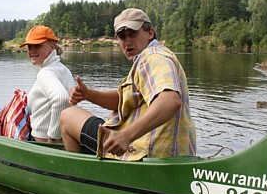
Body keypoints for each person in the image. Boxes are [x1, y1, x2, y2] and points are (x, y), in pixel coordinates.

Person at [59, 8, 196, 160]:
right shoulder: (159, 55)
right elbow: (123, 100)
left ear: (150, 33)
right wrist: (88, 94)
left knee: (68, 116)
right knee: (115, 115)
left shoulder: (152, 58)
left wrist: (126, 135)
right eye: (122, 37)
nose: (127, 41)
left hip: (146, 155)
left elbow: (170, 101)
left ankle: (84, 178)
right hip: (173, 153)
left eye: (133, 34)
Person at [20, 25, 75, 142]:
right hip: (66, 140)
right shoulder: (62, 69)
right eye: (29, 47)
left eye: (37, 45)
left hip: (43, 142)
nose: (31, 51)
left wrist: (53, 137)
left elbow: (61, 99)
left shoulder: (45, 73)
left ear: (52, 45)